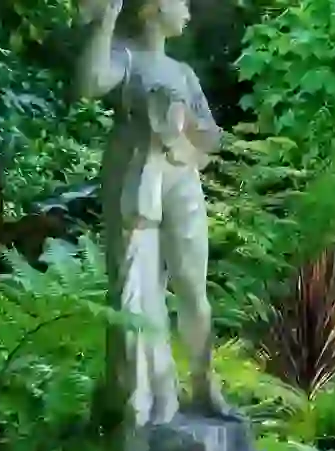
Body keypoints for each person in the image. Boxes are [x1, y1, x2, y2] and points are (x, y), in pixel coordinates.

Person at [78, 0, 231, 428]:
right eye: (179, 2)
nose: (186, 10)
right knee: (136, 283)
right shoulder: (126, 57)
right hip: (135, 173)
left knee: (192, 286)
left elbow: (211, 135)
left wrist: (185, 126)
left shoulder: (183, 72)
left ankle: (204, 383)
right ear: (151, 9)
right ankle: (145, 392)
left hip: (181, 176)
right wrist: (105, 20)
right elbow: (89, 82)